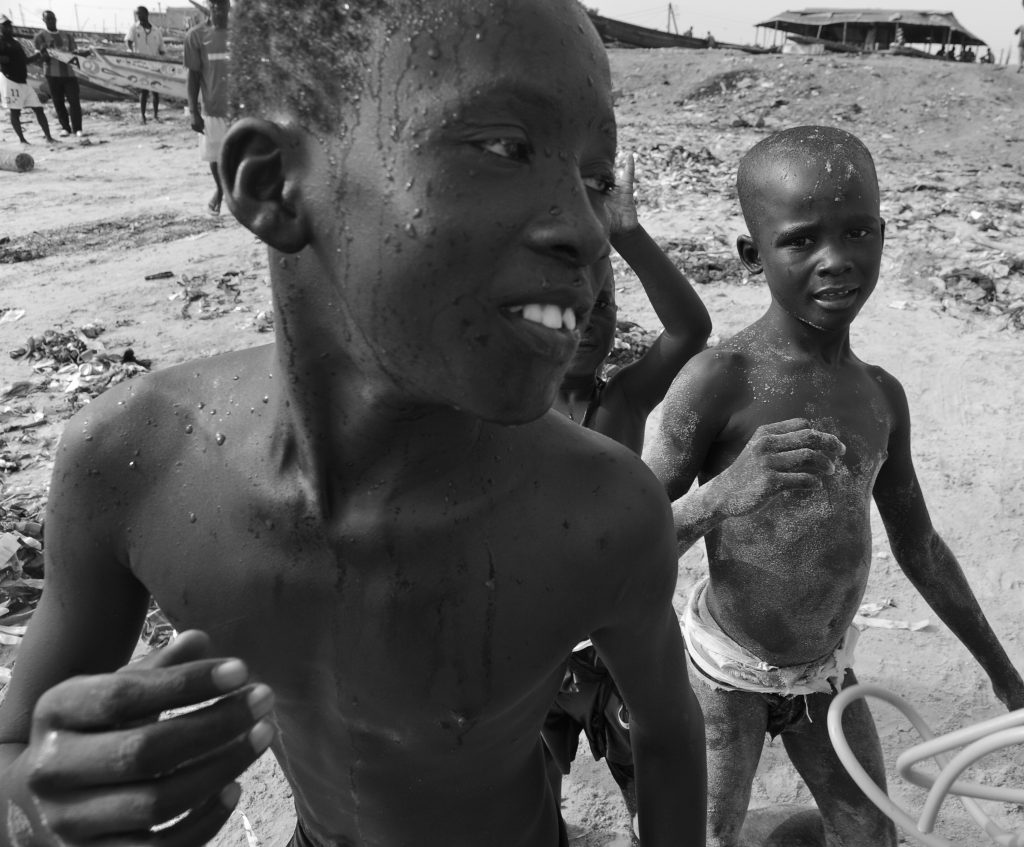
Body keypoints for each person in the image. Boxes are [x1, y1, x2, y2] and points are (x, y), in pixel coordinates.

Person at [0, 2, 708, 846]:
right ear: (270, 185)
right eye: (504, 147)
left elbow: (665, 736)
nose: (588, 232)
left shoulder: (599, 514)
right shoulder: (133, 466)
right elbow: (20, 745)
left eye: (594, 177)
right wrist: (32, 808)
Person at [648, 125, 1024, 847]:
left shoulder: (881, 397)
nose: (837, 261)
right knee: (702, 837)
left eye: (858, 232)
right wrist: (721, 493)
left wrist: (1005, 673)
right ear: (753, 254)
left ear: (884, 232)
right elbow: (625, 536)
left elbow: (922, 547)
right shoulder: (718, 380)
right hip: (727, 675)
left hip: (824, 672)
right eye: (801, 240)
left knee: (869, 834)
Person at [542, 151, 712, 841]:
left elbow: (689, 330)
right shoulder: (499, 412)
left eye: (601, 304)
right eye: (565, 307)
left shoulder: (624, 403)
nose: (586, 321)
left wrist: (629, 236)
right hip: (536, 648)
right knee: (527, 793)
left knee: (653, 786)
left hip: (622, 650)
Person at [184, 0, 229, 215]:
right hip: (212, 109)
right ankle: (221, 191)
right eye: (216, 4)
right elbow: (193, 77)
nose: (220, 8)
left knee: (245, 154)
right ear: (208, 6)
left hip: (242, 110)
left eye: (224, 3)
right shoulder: (196, 36)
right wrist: (193, 112)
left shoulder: (243, 33)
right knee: (215, 157)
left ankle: (237, 197)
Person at [0, 15, 54, 144]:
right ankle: (22, 140)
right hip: (9, 80)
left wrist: (39, 55)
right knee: (15, 111)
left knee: (38, 108)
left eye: (9, 25)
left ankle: (49, 137)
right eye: (5, 25)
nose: (8, 27)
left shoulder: (15, 42)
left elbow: (25, 61)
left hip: (22, 80)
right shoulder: (1, 41)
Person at [33, 10, 83, 138]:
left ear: (56, 19)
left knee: (74, 101)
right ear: (44, 20)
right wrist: (44, 52)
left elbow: (74, 53)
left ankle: (78, 128)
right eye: (48, 19)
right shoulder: (40, 37)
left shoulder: (67, 35)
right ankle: (65, 127)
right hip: (52, 74)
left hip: (69, 73)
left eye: (52, 18)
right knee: (58, 102)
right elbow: (38, 59)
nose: (51, 20)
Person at [125, 5, 166, 123]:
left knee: (155, 90)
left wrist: (163, 61)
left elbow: (162, 48)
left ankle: (155, 115)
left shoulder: (156, 30)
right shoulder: (134, 28)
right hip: (141, 64)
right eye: (137, 14)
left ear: (146, 14)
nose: (138, 16)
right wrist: (130, 51)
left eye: (140, 14)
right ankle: (143, 116)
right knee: (143, 90)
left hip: (155, 64)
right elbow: (128, 41)